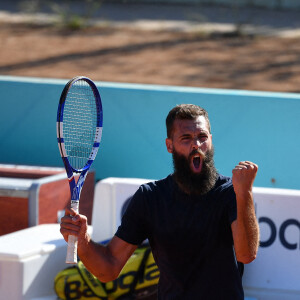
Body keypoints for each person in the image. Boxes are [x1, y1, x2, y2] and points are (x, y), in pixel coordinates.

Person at [60, 104, 260, 300]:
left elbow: (246, 255)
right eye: (186, 138)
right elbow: (109, 269)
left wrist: (245, 193)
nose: (196, 145)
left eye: (202, 137)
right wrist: (83, 241)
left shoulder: (231, 193)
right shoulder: (150, 197)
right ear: (169, 145)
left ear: (210, 141)